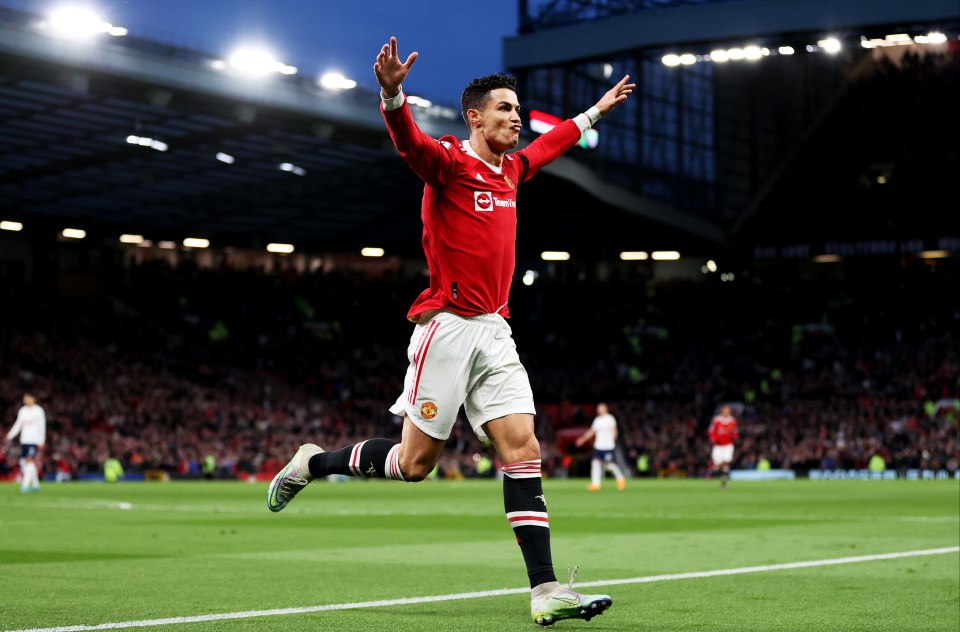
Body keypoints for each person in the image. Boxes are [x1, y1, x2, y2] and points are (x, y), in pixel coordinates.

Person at [267, 36, 633, 626]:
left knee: (524, 449)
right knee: (416, 465)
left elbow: (554, 143)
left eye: (518, 109)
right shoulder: (447, 163)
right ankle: (314, 462)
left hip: (495, 329)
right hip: (448, 327)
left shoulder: (513, 170)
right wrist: (392, 93)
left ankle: (544, 591)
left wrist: (594, 112)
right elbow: (406, 141)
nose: (515, 117)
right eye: (505, 109)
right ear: (474, 117)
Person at [575, 403, 626, 491]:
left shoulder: (610, 419)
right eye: (598, 408)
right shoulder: (597, 420)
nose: (599, 410)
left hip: (608, 446)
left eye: (601, 408)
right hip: (599, 446)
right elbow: (592, 431)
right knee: (595, 464)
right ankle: (596, 484)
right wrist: (582, 440)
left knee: (608, 465)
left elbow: (615, 431)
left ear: (605, 409)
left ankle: (620, 478)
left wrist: (613, 440)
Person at [5, 393, 46, 493]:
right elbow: (18, 424)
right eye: (25, 398)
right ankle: (36, 485)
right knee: (26, 463)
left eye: (28, 397)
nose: (26, 399)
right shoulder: (22, 410)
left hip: (34, 440)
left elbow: (42, 426)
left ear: (33, 398)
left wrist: (41, 441)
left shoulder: (38, 411)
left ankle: (25, 485)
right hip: (24, 440)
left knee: (29, 461)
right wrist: (10, 435)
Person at [708, 404, 739, 490]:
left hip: (728, 445)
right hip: (718, 446)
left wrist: (735, 437)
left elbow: (735, 431)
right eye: (725, 410)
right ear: (722, 411)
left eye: (728, 411)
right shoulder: (717, 420)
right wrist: (713, 439)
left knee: (726, 461)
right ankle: (718, 474)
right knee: (719, 464)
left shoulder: (732, 420)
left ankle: (721, 481)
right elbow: (711, 431)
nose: (726, 412)